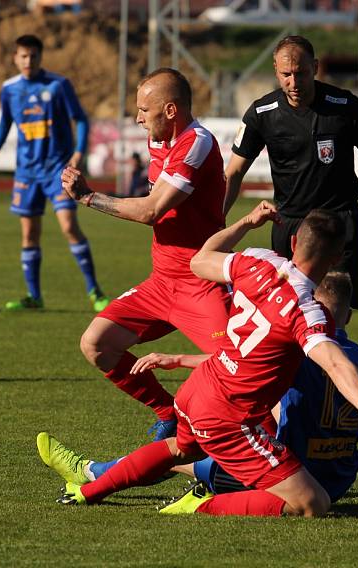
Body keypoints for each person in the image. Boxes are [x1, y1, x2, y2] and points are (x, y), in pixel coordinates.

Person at [44, 202, 358, 517]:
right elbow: (334, 362)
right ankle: (203, 505)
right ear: (337, 256)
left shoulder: (257, 262)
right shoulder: (307, 311)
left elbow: (200, 261)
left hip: (197, 391)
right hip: (231, 417)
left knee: (180, 449)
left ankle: (87, 492)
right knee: (313, 503)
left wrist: (246, 223)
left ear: (294, 242)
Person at [37, 271, 358, 516]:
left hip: (277, 471)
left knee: (192, 452)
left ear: (309, 306)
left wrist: (178, 360)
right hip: (339, 480)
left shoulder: (295, 351)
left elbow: (239, 367)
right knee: (194, 447)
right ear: (348, 314)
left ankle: (97, 473)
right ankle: (99, 474)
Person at [60, 68, 229, 441]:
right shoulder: (159, 141)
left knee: (238, 366)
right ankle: (168, 412)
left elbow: (152, 211)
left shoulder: (196, 142)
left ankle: (267, 455)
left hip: (201, 282)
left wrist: (89, 197)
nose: (137, 118)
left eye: (143, 110)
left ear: (170, 110)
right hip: (162, 282)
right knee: (96, 343)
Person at [225, 35, 358, 311]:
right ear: (275, 70)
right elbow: (232, 174)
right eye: (286, 75)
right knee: (287, 314)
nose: (294, 83)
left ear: (315, 67)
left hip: (338, 225)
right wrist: (216, 220)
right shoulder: (261, 113)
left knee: (334, 315)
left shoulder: (347, 108)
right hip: (289, 225)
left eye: (301, 73)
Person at [0, 34, 108, 312]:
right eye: (23, 56)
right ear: (15, 58)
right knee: (29, 234)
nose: (28, 61)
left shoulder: (59, 85)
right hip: (26, 173)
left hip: (57, 170)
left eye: (33, 56)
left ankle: (95, 291)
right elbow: (5, 123)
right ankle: (34, 297)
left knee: (69, 227)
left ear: (40, 57)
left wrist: (78, 151)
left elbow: (81, 119)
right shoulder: (9, 89)